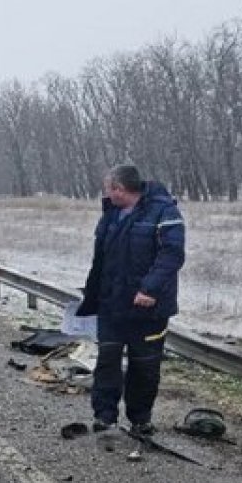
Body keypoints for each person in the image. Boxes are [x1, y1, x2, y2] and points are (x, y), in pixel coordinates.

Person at [77, 164, 185, 436]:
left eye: (108, 188)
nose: (106, 194)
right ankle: (104, 416)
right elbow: (100, 258)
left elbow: (172, 254)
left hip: (148, 307)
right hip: (112, 303)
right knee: (107, 359)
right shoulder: (111, 214)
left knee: (144, 365)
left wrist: (149, 290)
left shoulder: (164, 211)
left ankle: (140, 418)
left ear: (120, 189)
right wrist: (93, 293)